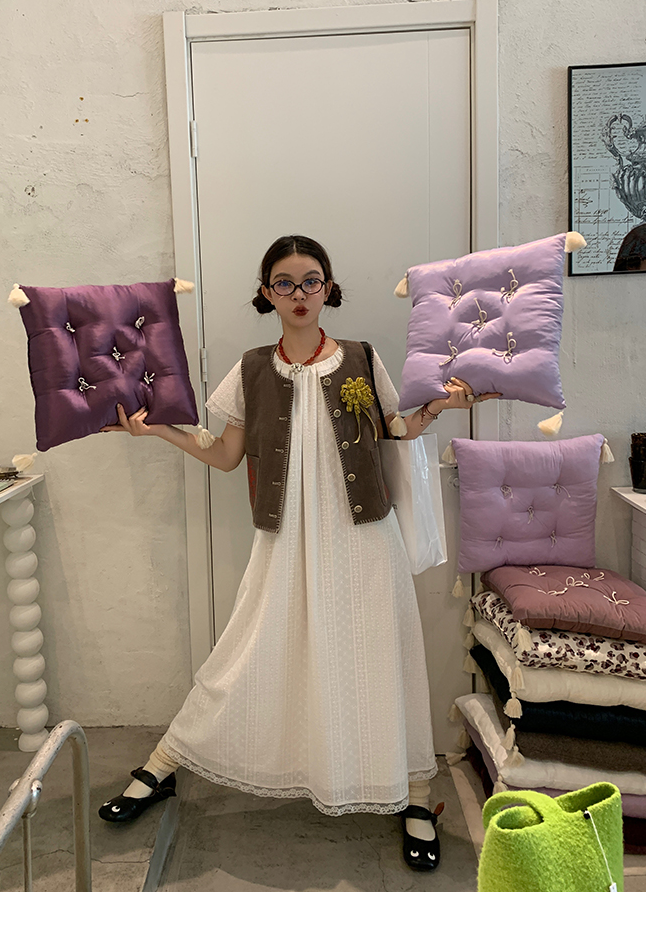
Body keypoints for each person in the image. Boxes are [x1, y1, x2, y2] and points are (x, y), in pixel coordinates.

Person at [98, 234, 497, 872]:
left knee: (381, 658)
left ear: (328, 287)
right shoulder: (252, 368)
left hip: (364, 538)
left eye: (311, 280)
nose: (299, 293)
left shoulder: (363, 357)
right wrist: (158, 431)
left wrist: (444, 404)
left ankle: (416, 795)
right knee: (245, 650)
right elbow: (225, 455)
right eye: (284, 283)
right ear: (267, 294)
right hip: (283, 538)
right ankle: (166, 762)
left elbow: (397, 429)